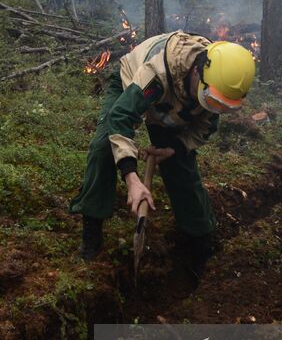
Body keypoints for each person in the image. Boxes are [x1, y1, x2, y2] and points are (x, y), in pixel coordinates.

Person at [71, 33, 255, 277]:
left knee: (181, 165)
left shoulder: (220, 79)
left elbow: (204, 127)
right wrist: (132, 179)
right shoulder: (157, 73)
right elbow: (120, 119)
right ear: (198, 74)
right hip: (132, 85)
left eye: (222, 106)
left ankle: (199, 242)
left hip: (172, 107)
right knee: (104, 147)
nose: (213, 109)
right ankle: (91, 232)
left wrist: (176, 148)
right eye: (211, 100)